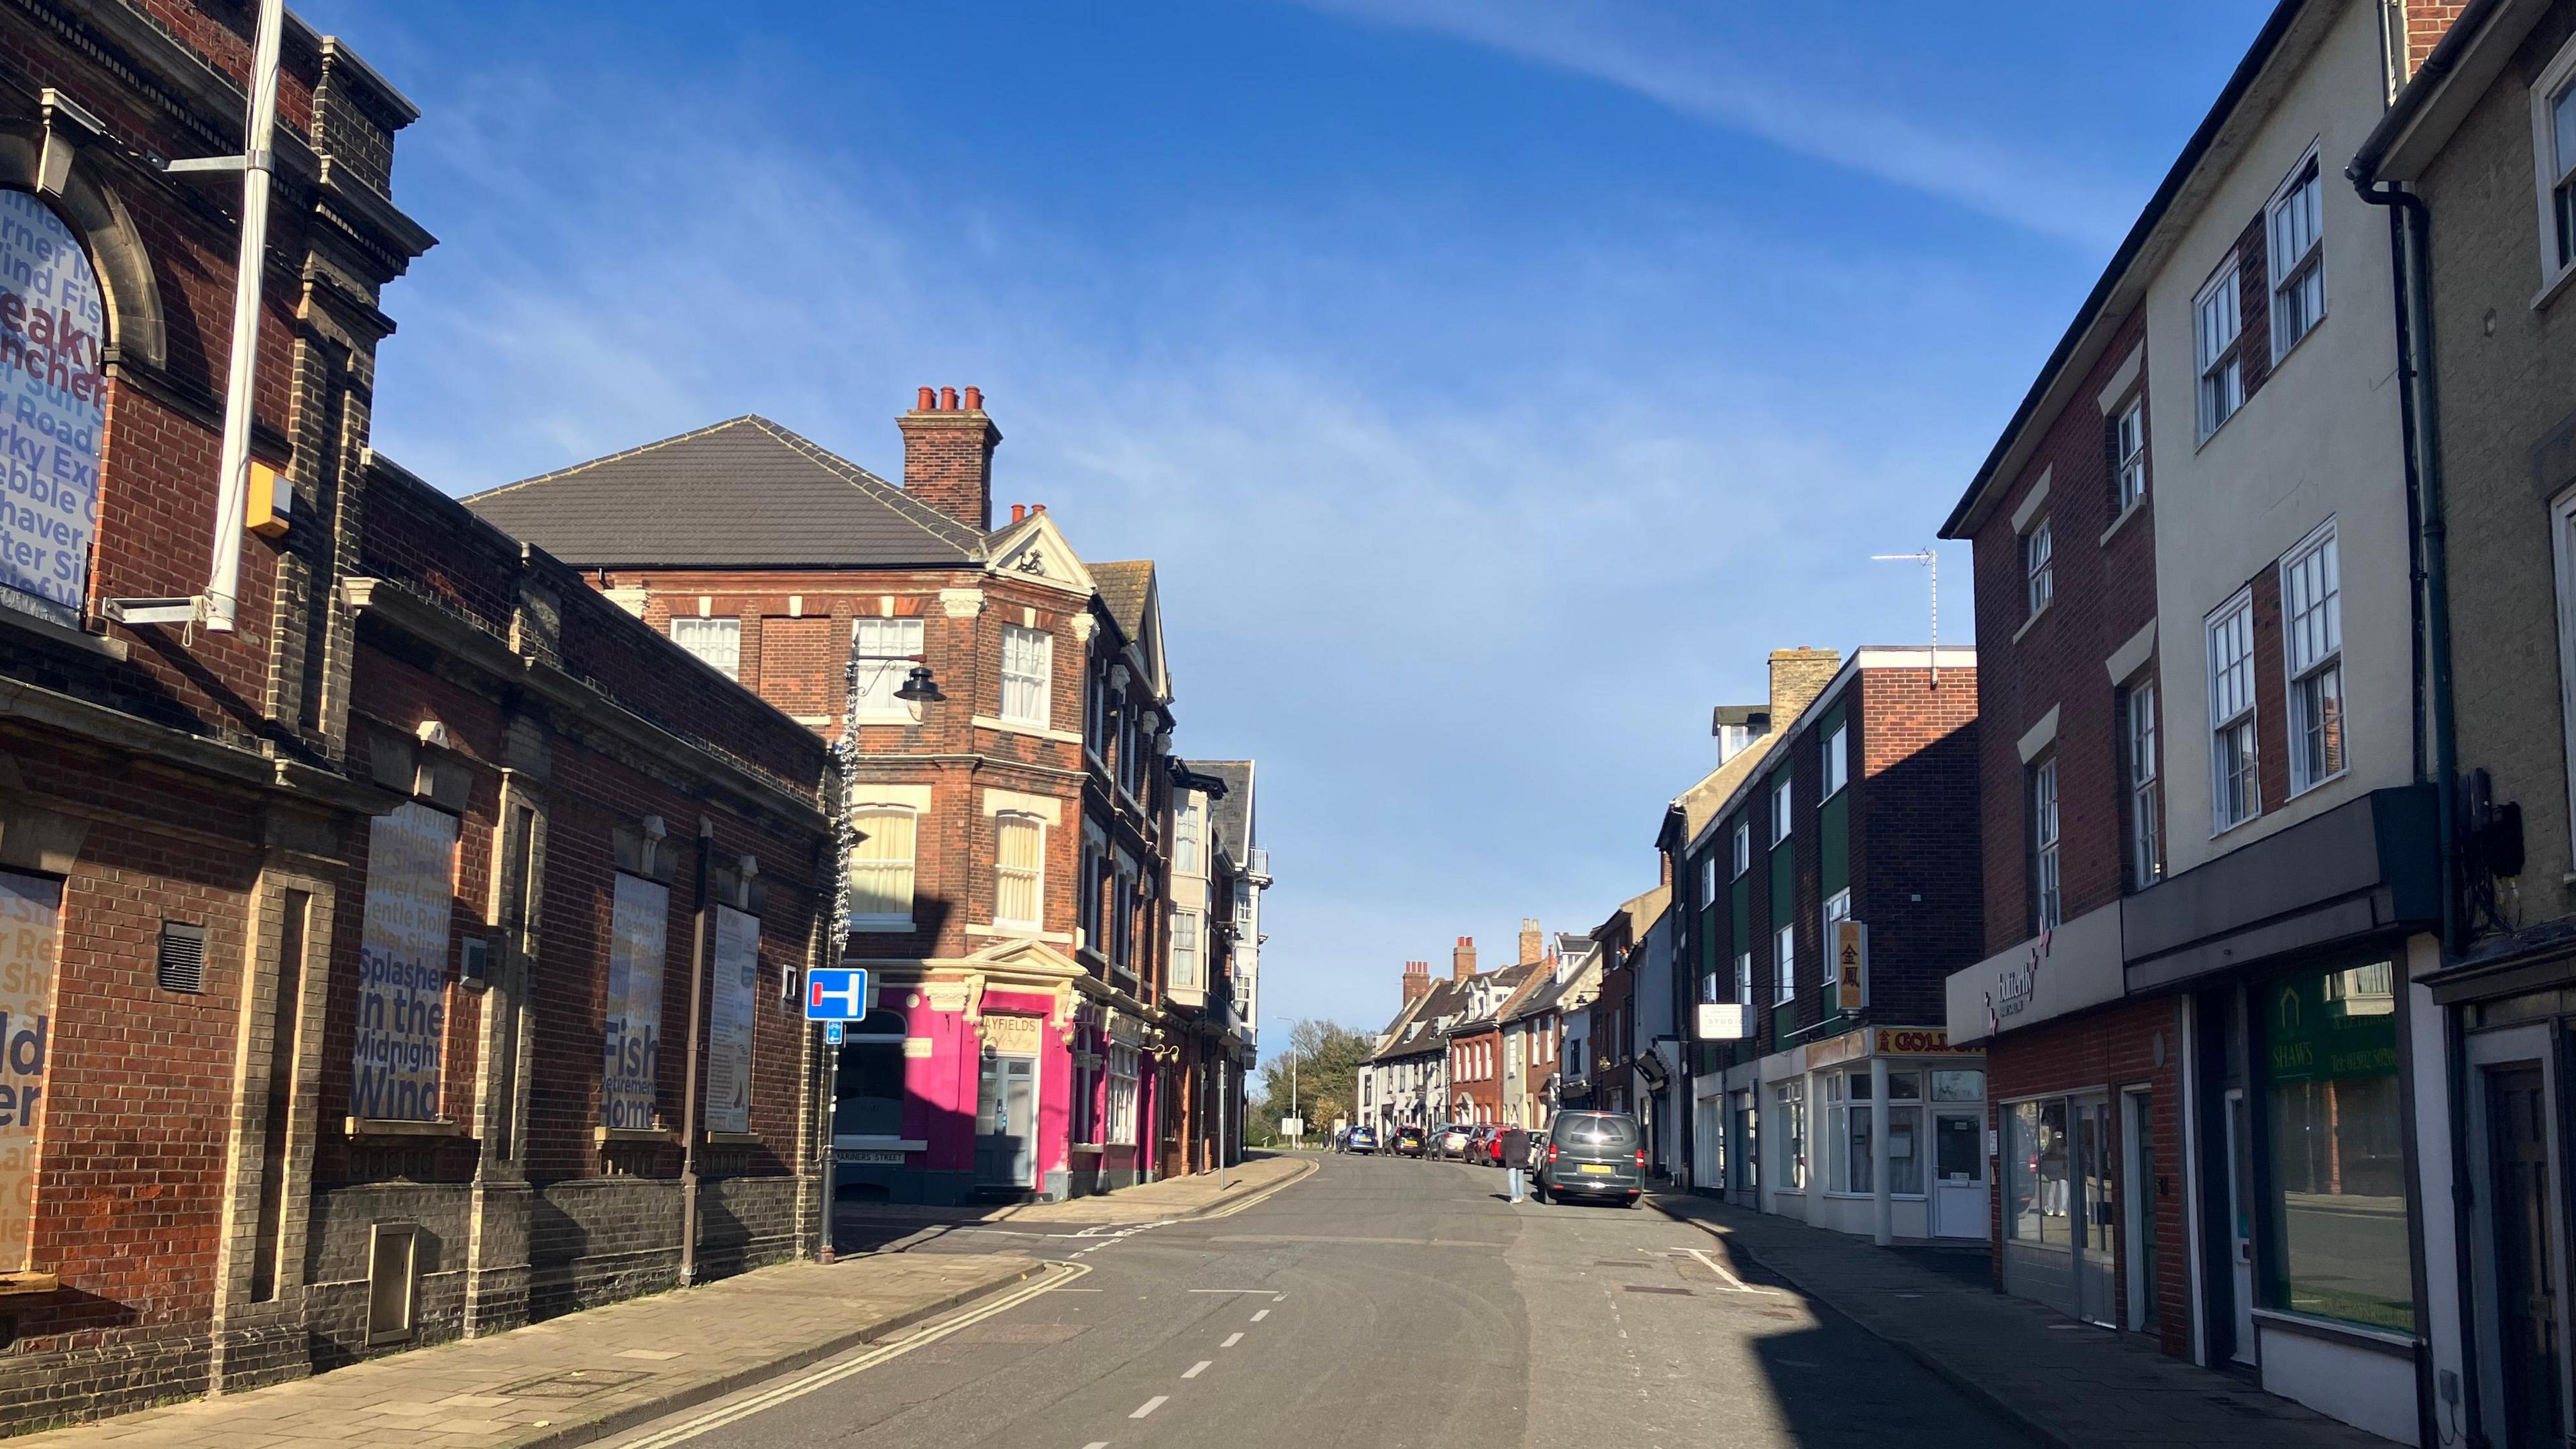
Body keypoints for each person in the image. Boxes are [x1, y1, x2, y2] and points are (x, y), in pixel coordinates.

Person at [1501, 1127, 1529, 1203]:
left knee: (1512, 1179)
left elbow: (1502, 1149)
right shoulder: (1524, 1137)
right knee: (1520, 1179)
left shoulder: (1507, 1137)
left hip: (1511, 1160)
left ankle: (1514, 1197)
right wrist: (1526, 1158)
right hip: (1521, 1160)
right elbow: (1528, 1149)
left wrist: (1505, 1158)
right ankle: (1520, 1196)